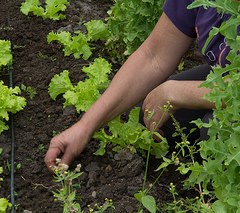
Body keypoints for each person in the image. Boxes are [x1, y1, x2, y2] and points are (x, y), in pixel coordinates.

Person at [45, 0, 238, 170]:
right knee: (151, 113)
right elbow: (153, 56)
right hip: (228, 78)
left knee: (218, 132)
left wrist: (179, 92)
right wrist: (84, 127)